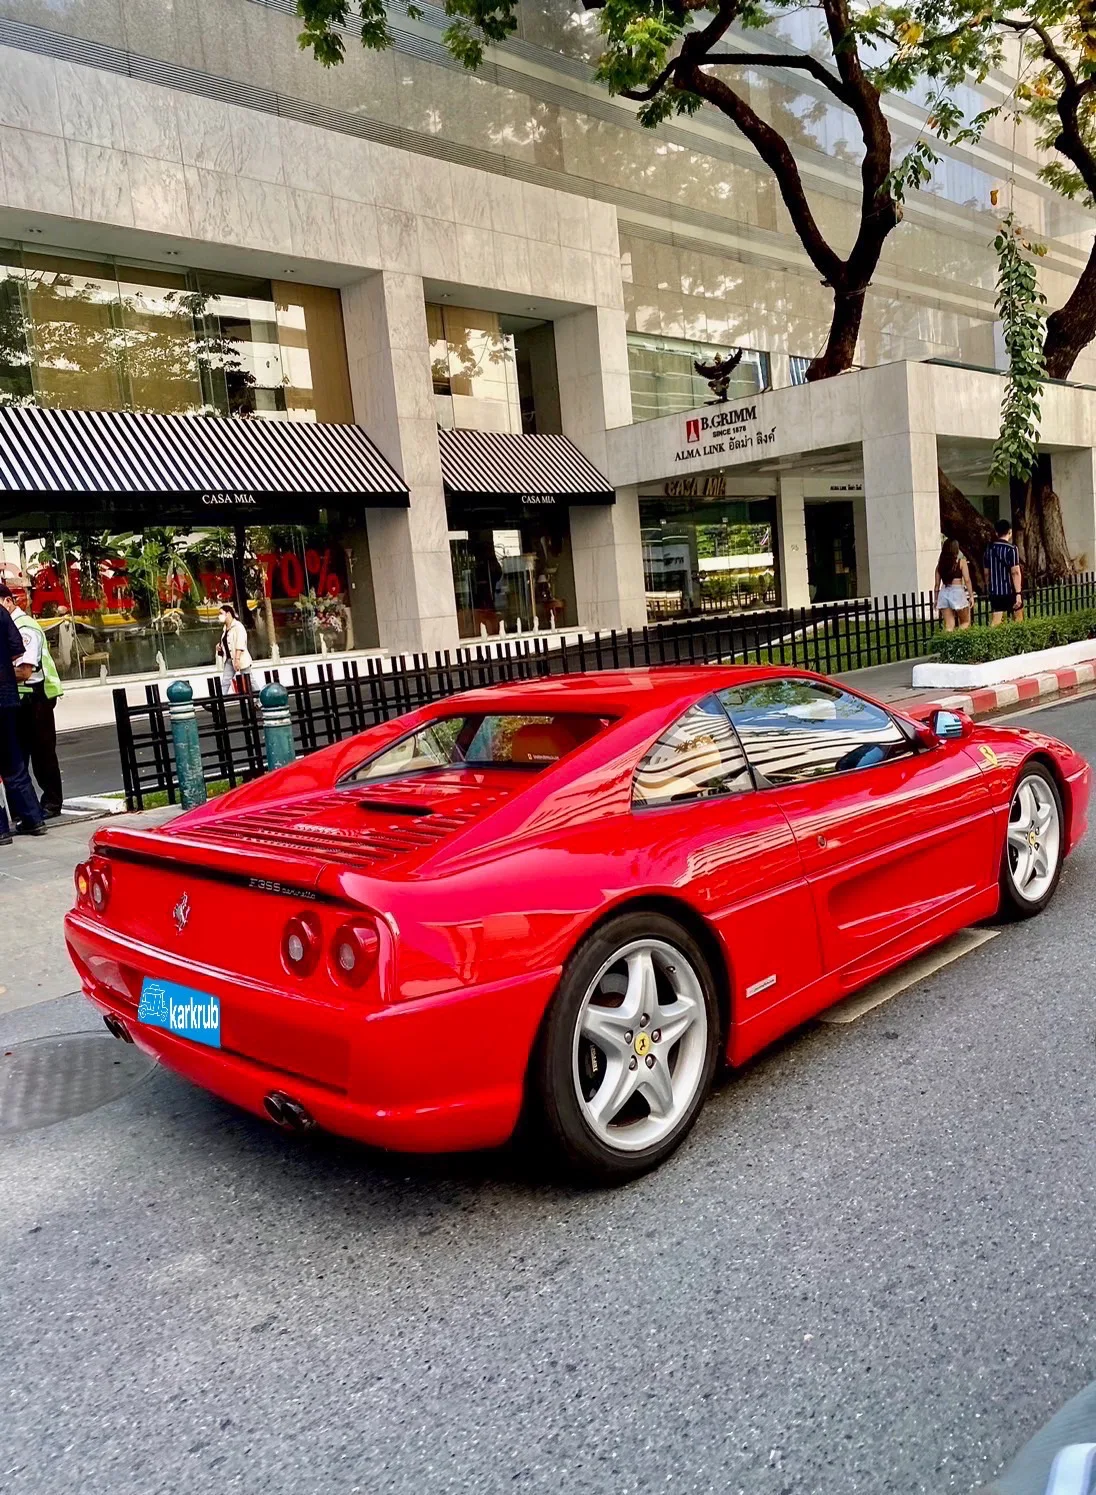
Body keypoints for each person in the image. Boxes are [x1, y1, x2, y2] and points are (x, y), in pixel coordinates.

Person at [1, 585, 64, 818]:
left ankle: (51, 803)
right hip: (17, 697)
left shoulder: (24, 627)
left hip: (35, 696)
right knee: (17, 755)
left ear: (9, 601)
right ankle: (23, 810)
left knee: (42, 753)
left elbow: (25, 671)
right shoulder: (8, 626)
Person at [0, 585, 46, 843]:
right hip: (7, 695)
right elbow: (17, 650)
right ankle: (32, 818)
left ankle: (1, 829)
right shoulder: (2, 614)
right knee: (13, 761)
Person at [984, 518, 1023, 625]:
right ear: (1010, 532)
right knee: (1018, 618)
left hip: (995, 590)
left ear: (996, 533)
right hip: (1010, 589)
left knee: (996, 621)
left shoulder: (989, 548)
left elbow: (986, 572)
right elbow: (1015, 572)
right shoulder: (1012, 549)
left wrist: (988, 586)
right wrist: (1018, 593)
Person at [933, 538, 973, 631]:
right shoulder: (961, 562)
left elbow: (936, 585)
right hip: (957, 592)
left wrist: (936, 599)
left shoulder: (940, 565)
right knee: (965, 622)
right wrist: (971, 595)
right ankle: (960, 642)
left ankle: (948, 643)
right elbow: (967, 580)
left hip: (944, 593)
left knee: (949, 625)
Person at [214, 603, 252, 694]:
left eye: (221, 613)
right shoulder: (225, 628)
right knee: (225, 682)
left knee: (249, 680)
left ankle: (260, 700)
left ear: (228, 614)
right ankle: (221, 702)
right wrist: (219, 647)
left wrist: (237, 659)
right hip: (229, 659)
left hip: (240, 659)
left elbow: (240, 643)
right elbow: (227, 643)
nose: (219, 616)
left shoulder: (238, 626)